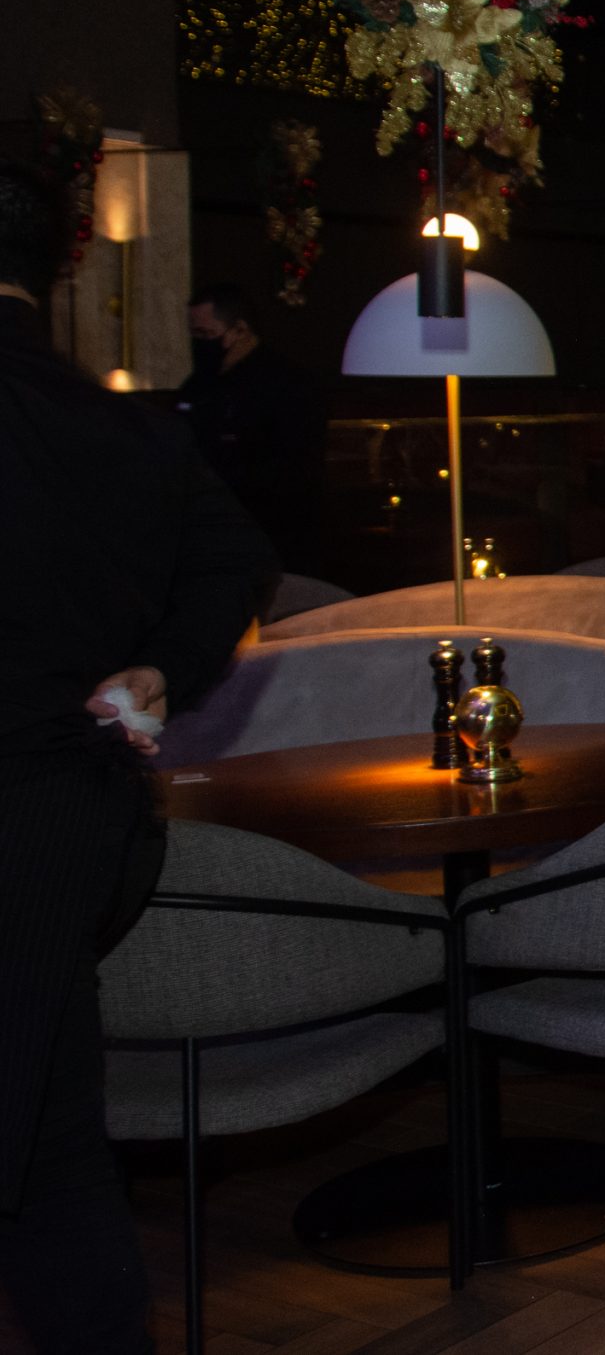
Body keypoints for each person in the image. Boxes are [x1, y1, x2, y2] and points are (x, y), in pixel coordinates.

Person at [0, 167, 274, 1351]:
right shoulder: (124, 426)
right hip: (70, 826)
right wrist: (162, 665)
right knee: (54, 1162)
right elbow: (236, 562)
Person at [177, 283, 327, 562]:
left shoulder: (287, 385)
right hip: (208, 529)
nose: (199, 343)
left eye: (206, 334)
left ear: (240, 330)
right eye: (194, 334)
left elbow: (293, 471)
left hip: (270, 533)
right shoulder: (199, 385)